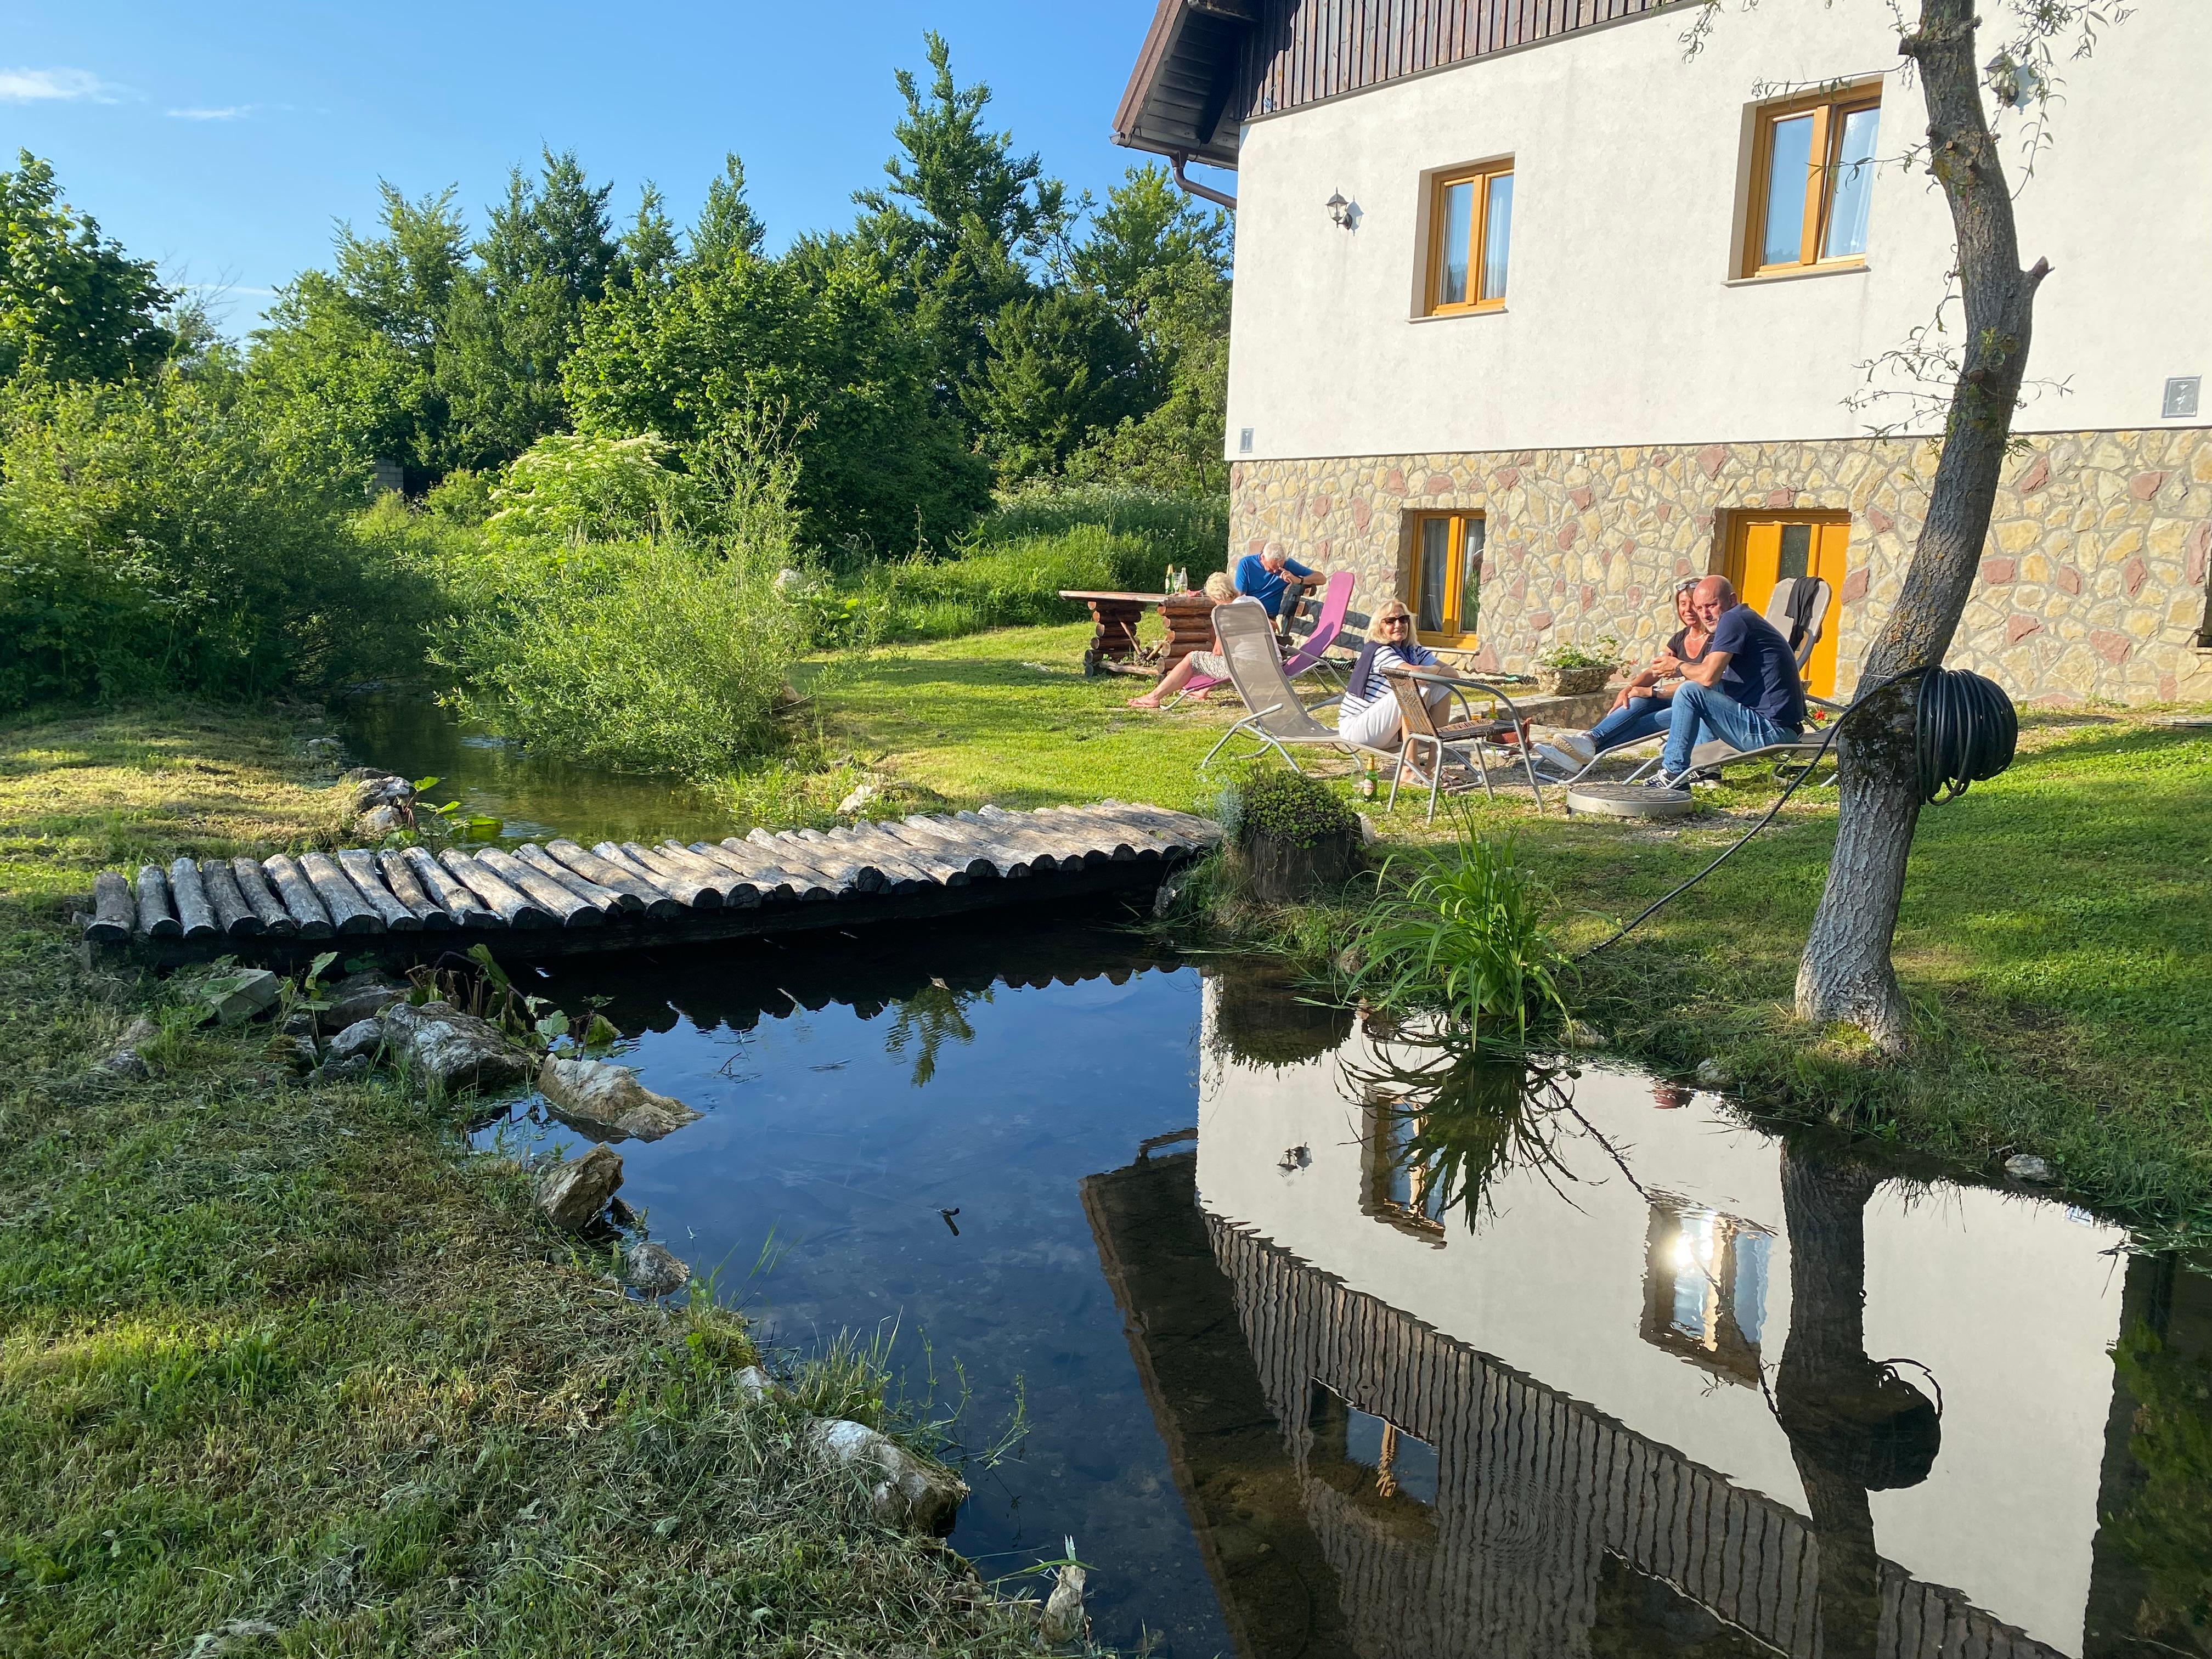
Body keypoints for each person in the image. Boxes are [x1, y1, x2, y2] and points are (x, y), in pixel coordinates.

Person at [1651, 574, 1807, 786]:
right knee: (1706, 688)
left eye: (1712, 605)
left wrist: (1678, 666)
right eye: (1700, 608)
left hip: (1773, 734)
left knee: (1691, 692)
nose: (1705, 615)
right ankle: (1706, 770)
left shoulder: (1733, 619)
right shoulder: (1742, 618)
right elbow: (1709, 675)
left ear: (1732, 600)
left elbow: (1707, 676)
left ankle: (1673, 773)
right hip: (1782, 729)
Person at [1334, 599, 1444, 752]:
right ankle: (1409, 766)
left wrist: (1429, 670)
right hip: (1357, 728)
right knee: (1413, 688)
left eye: (1403, 619)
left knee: (1443, 687)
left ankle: (1434, 763)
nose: (1398, 625)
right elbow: (1415, 674)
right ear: (1380, 627)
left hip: (1386, 730)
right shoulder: (1379, 651)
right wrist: (1434, 669)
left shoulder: (1413, 650)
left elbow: (1453, 674)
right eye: (1391, 621)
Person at [1126, 572, 1245, 708]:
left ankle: (1154, 697)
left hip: (1242, 667)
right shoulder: (1252, 603)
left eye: (1213, 600)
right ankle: (1202, 689)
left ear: (1217, 596)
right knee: (1219, 660)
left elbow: (1218, 653)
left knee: (1193, 658)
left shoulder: (1224, 613)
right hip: (1267, 662)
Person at [1232, 541, 1323, 619]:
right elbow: (1240, 600)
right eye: (1272, 568)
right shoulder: (1246, 564)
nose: (1276, 571)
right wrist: (1263, 620)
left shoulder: (1288, 565)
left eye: (1280, 567)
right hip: (1251, 617)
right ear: (1263, 557)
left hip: (1270, 617)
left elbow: (1321, 579)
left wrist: (1299, 580)